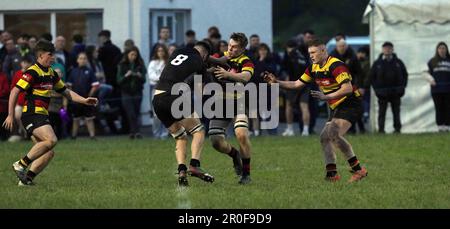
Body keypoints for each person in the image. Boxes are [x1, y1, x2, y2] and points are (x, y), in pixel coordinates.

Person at [263, 38, 368, 183]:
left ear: (323, 51)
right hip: (336, 106)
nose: (311, 55)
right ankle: (332, 175)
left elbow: (348, 88)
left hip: (350, 103)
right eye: (309, 53)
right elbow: (296, 83)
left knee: (333, 134)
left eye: (314, 52)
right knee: (325, 138)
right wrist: (277, 82)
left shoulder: (336, 65)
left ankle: (358, 170)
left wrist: (327, 96)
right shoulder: (313, 68)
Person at [3, 40, 98, 186]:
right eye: (50, 55)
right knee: (51, 140)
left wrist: (84, 100)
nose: (53, 58)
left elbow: (65, 91)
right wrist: (10, 114)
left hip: (41, 115)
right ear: (40, 55)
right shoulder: (32, 72)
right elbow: (15, 91)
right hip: (31, 114)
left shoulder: (51, 73)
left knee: (48, 152)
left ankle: (26, 179)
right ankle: (20, 165)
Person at [152, 41, 214, 186]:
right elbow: (201, 90)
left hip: (157, 98)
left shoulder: (177, 51)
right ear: (204, 55)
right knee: (198, 131)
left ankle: (181, 170)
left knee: (180, 137)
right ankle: (194, 164)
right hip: (173, 96)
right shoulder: (201, 63)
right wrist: (206, 72)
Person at [208, 32, 254, 184]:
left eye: (234, 47)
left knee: (241, 134)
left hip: (239, 102)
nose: (230, 49)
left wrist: (227, 74)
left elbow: (245, 77)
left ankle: (246, 174)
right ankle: (235, 155)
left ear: (242, 49)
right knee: (215, 141)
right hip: (220, 103)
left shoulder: (246, 61)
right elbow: (205, 64)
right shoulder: (220, 57)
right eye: (229, 46)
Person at [369, 41, 408, 133]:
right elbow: (371, 77)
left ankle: (397, 129)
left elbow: (405, 75)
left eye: (389, 48)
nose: (387, 50)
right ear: (382, 50)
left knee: (396, 112)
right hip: (382, 92)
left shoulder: (398, 62)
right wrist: (377, 89)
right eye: (385, 48)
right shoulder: (377, 63)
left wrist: (402, 87)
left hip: (396, 91)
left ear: (392, 50)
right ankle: (381, 130)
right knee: (382, 112)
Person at [66, 52, 99, 139]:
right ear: (77, 60)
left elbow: (95, 85)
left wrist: (89, 96)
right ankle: (73, 136)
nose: (82, 60)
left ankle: (92, 136)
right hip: (76, 100)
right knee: (76, 119)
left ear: (86, 60)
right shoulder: (73, 71)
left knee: (89, 118)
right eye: (81, 58)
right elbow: (69, 85)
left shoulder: (90, 71)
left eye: (84, 58)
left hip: (87, 99)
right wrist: (73, 97)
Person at [281, 39, 310, 136]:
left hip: (293, 83)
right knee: (303, 106)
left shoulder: (292, 55)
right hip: (305, 82)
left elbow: (284, 68)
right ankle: (305, 131)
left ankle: (290, 129)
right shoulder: (303, 54)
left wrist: (286, 77)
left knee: (289, 106)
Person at [117, 46, 146, 139]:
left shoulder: (140, 64)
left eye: (135, 55)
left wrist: (139, 75)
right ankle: (135, 131)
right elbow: (119, 80)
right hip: (126, 91)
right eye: (131, 54)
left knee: (136, 112)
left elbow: (144, 79)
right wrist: (126, 75)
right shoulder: (122, 65)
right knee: (130, 112)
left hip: (137, 91)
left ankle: (134, 132)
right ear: (127, 55)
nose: (133, 57)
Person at [426, 42, 450, 132]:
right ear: (437, 50)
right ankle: (440, 126)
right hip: (437, 90)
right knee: (439, 108)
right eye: (440, 48)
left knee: (448, 107)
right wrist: (431, 80)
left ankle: (447, 126)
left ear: (446, 49)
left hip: (448, 89)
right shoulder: (432, 61)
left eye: (444, 48)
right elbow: (425, 72)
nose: (442, 50)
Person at [148, 44, 169, 139]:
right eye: (159, 51)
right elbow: (151, 76)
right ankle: (156, 134)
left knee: (166, 112)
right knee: (156, 113)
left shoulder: (168, 63)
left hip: (166, 89)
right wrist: (161, 78)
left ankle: (165, 133)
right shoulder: (152, 63)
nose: (161, 53)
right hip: (156, 88)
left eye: (162, 51)